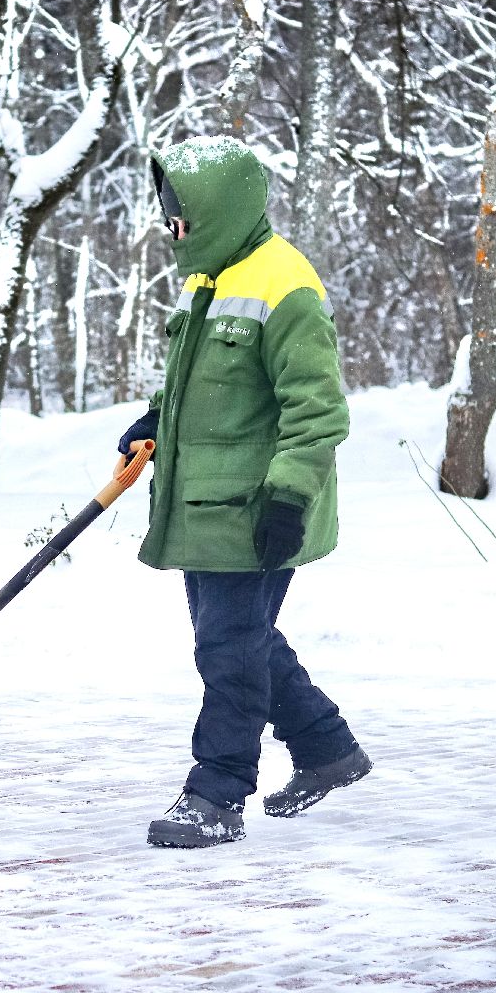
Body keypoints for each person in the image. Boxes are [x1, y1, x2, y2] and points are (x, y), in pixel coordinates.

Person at [117, 135, 370, 848]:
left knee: (228, 648)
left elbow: (318, 409)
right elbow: (204, 390)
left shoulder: (284, 284)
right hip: (205, 505)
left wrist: (289, 500)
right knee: (237, 639)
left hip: (258, 508)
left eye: (183, 215)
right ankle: (327, 748)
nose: (174, 230)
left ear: (220, 207)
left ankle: (218, 794)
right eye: (170, 216)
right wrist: (154, 419)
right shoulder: (212, 279)